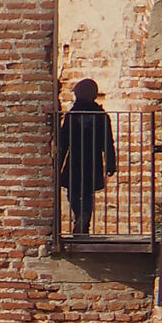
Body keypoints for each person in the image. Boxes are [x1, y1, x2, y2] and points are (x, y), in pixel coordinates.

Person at [60, 77, 118, 237]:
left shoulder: (72, 115)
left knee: (72, 191)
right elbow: (108, 142)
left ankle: (80, 217)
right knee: (86, 193)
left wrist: (58, 164)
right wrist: (110, 163)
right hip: (93, 160)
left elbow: (64, 142)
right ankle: (84, 223)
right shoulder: (101, 115)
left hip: (76, 158)